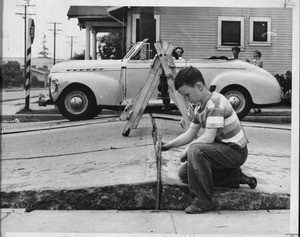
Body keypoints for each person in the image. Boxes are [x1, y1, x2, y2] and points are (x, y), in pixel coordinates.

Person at [161, 66, 257, 214]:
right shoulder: (199, 106)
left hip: (235, 151)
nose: (187, 99)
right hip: (221, 149)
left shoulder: (215, 103)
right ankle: (234, 177)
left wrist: (187, 150)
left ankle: (203, 201)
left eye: (187, 95)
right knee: (184, 173)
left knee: (196, 150)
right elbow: (190, 133)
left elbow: (208, 137)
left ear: (199, 86)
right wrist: (168, 146)